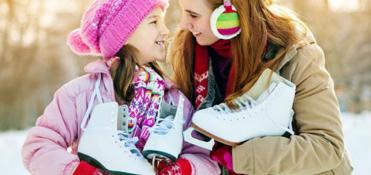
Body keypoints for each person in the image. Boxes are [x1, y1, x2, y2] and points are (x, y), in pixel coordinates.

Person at [21, 0, 220, 174]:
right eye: (154, 21)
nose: (165, 30)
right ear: (123, 34)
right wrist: (80, 172)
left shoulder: (174, 102)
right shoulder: (82, 95)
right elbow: (39, 146)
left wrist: (181, 170)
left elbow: (204, 157)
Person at [169, 0, 353, 174]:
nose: (184, 24)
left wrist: (240, 158)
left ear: (228, 14)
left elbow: (327, 146)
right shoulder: (188, 51)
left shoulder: (295, 54)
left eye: (193, 15)